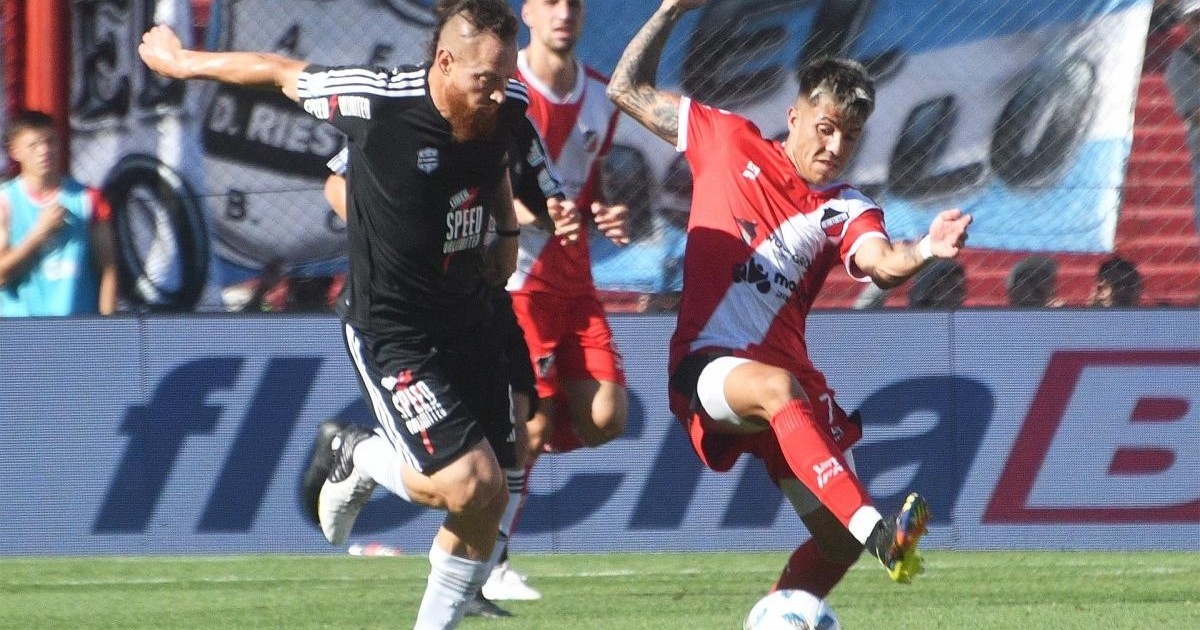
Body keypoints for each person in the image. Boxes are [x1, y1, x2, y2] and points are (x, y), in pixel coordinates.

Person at [141, 2, 538, 627]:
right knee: (469, 483)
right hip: (394, 330)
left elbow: (494, 169)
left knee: (493, 494)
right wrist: (182, 62)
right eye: (483, 79)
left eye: (505, 75)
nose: (496, 92)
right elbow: (277, 70)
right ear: (444, 61)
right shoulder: (376, 100)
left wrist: (507, 230)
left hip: (469, 316)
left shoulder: (506, 104)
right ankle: (360, 454)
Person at [607, 0, 971, 601]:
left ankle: (781, 614)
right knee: (778, 388)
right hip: (710, 365)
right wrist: (668, 12)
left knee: (834, 544)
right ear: (794, 116)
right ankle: (882, 536)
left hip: (790, 389)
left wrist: (928, 248)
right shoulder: (726, 140)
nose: (835, 146)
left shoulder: (847, 207)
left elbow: (881, 264)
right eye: (825, 128)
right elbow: (626, 90)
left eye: (850, 136)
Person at [483, 0, 633, 602]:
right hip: (521, 280)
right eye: (550, 2)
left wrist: (604, 213)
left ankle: (489, 447)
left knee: (605, 417)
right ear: (527, 13)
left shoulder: (602, 96)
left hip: (577, 283)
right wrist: (532, 216)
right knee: (532, 423)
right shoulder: (506, 89)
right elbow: (484, 182)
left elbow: (585, 189)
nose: (563, 12)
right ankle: (491, 562)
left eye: (573, 2)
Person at [0, 110, 118, 316]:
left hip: (76, 323)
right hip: (19, 327)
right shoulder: (5, 201)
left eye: (50, 141)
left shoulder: (89, 199)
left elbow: (108, 269)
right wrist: (39, 234)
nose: (44, 150)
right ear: (15, 152)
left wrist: (108, 327)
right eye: (33, 145)